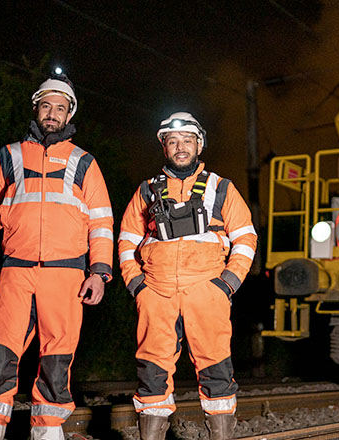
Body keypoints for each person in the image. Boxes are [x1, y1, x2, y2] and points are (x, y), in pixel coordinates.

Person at [0, 74, 114, 440]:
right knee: (1, 351)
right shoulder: (11, 154)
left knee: (57, 358)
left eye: (60, 108)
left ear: (69, 114)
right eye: (46, 105)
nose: (52, 113)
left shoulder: (84, 162)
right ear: (37, 108)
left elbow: (102, 223)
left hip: (66, 275)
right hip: (17, 269)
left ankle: (47, 432)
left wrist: (99, 272)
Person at [118, 112, 257, 440]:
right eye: (173, 141)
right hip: (156, 293)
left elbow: (246, 237)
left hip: (206, 292)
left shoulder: (221, 188)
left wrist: (227, 284)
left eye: (187, 140)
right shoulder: (146, 191)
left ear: (199, 144)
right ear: (164, 147)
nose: (180, 147)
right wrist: (138, 286)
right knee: (151, 373)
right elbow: (126, 240)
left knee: (216, 371)